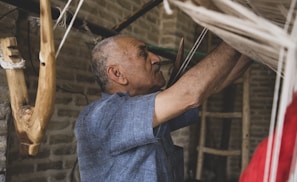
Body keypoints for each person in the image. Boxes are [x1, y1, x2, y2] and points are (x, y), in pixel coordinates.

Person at [74, 35, 252, 182]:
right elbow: (190, 94)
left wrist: (252, 44)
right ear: (117, 74)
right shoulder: (101, 116)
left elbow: (211, 86)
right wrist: (237, 32)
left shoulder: (149, 110)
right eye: (143, 54)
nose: (156, 58)